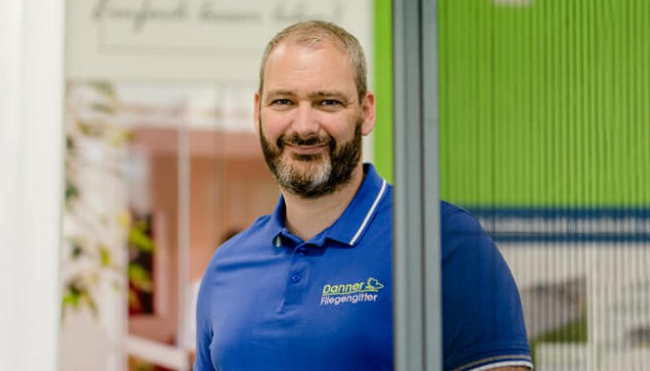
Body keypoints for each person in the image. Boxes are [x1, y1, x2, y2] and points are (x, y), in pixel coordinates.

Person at [194, 20, 532, 371]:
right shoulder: (225, 268)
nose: (304, 126)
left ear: (366, 112)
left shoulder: (444, 241)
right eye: (283, 101)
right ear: (257, 112)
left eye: (327, 102)